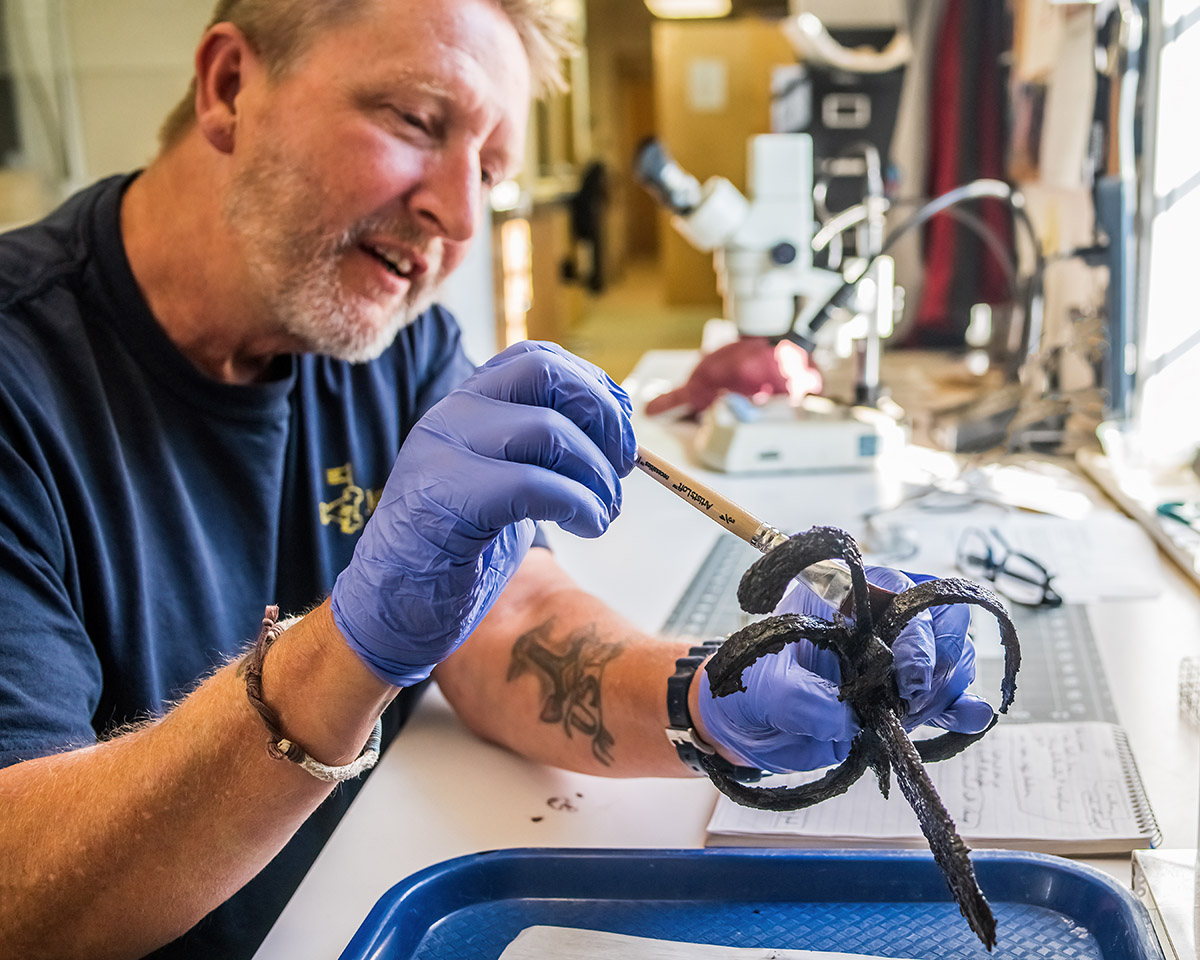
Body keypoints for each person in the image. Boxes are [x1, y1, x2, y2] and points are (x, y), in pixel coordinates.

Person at [0, 1, 992, 958]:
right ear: (227, 86)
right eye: (415, 121)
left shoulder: (391, 338)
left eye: (489, 166)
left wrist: (712, 690)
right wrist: (344, 649)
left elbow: (510, 622)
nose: (459, 213)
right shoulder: (22, 380)